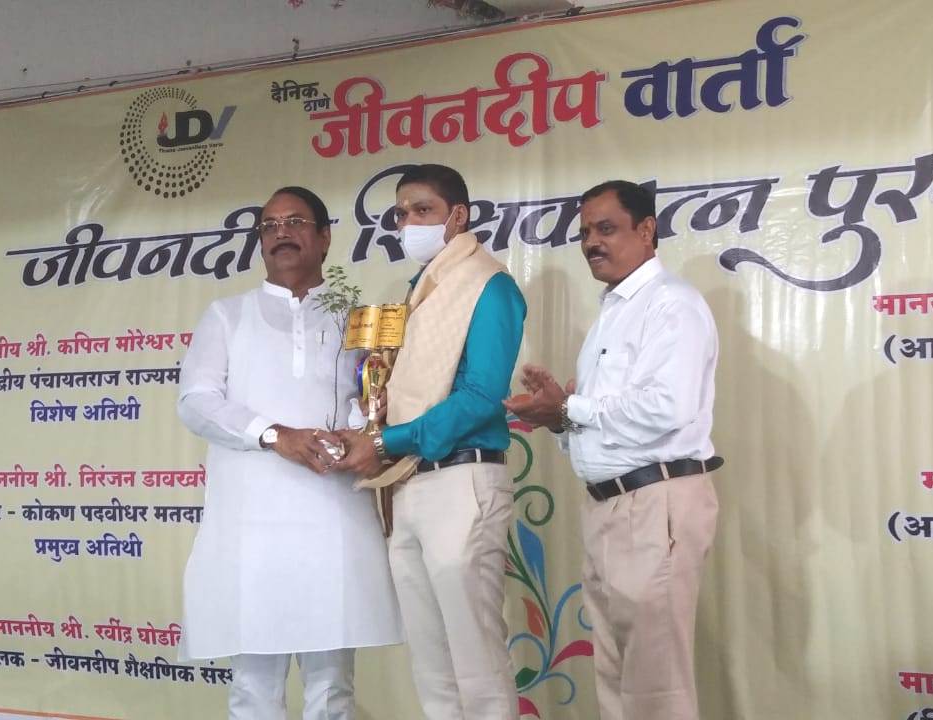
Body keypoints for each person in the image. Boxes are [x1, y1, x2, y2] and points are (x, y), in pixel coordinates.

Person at [177, 186, 402, 720]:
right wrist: (275, 435)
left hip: (333, 517)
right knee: (254, 687)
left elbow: (372, 404)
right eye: (270, 225)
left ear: (324, 237)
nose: (282, 232)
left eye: (296, 222)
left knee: (333, 687)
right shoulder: (227, 315)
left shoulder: (357, 320)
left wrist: (361, 435)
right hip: (250, 526)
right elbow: (196, 402)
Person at [504, 180, 721, 720]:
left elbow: (668, 408)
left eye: (606, 229)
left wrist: (571, 408)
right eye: (585, 233)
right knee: (616, 679)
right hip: (610, 507)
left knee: (655, 687)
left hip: (654, 504)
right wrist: (558, 417)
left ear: (646, 230)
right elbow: (605, 420)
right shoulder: (614, 310)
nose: (591, 243)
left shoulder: (671, 304)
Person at [337, 164, 526, 720]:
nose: (408, 223)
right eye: (401, 214)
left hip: (461, 481)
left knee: (476, 662)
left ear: (457, 216)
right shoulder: (420, 290)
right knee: (432, 666)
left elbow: (481, 397)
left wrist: (385, 441)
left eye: (423, 210)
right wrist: (371, 415)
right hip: (407, 481)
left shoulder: (489, 285)